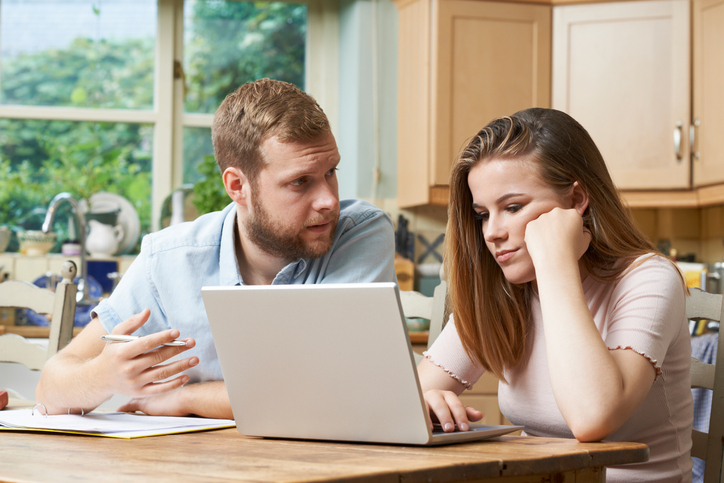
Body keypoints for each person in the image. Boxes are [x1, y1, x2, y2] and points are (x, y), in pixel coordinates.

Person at [35, 78, 396, 419]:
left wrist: (186, 398)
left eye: (330, 171)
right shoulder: (169, 259)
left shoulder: (360, 232)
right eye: (300, 182)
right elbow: (51, 388)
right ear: (237, 186)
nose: (329, 200)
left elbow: (334, 392)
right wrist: (102, 376)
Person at [419, 108, 693, 482]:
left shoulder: (648, 279)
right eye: (483, 214)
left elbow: (591, 417)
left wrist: (556, 264)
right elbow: (406, 401)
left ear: (577, 199)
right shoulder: (505, 291)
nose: (492, 232)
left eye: (513, 207)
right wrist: (424, 403)